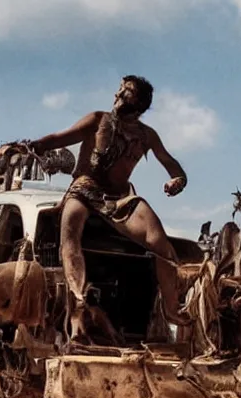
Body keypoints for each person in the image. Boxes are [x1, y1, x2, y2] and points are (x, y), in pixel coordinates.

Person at [20, 75, 189, 341]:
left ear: (141, 103)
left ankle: (171, 309)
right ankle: (78, 298)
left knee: (159, 242)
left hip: (119, 197)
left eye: (127, 91)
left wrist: (178, 180)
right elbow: (60, 138)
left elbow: (171, 164)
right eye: (120, 89)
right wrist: (36, 145)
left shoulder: (147, 136)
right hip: (84, 188)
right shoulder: (98, 120)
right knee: (70, 233)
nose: (119, 94)